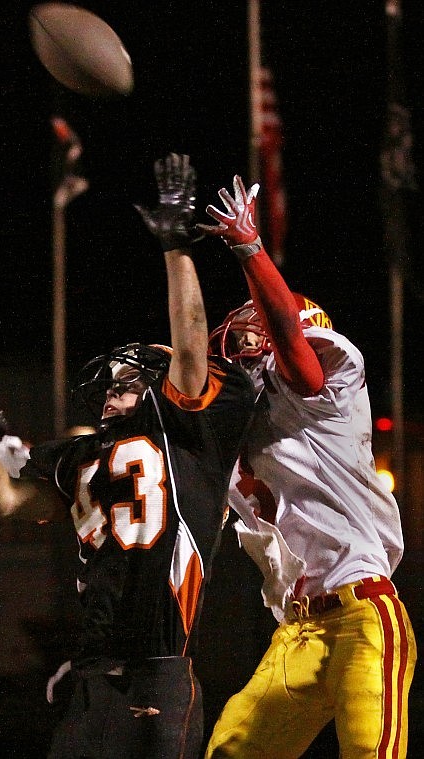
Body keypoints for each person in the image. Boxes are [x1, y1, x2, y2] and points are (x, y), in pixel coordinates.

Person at [0, 154, 255, 759]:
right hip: (95, 673)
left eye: (124, 378)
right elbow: (2, 500)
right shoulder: (82, 453)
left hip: (161, 668)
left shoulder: (186, 439)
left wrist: (176, 248)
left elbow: (191, 347)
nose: (110, 386)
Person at [197, 175, 417, 759]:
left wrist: (250, 249)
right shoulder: (238, 421)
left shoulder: (326, 382)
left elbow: (291, 344)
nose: (241, 341)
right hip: (297, 630)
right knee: (230, 751)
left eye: (255, 330)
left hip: (362, 612)